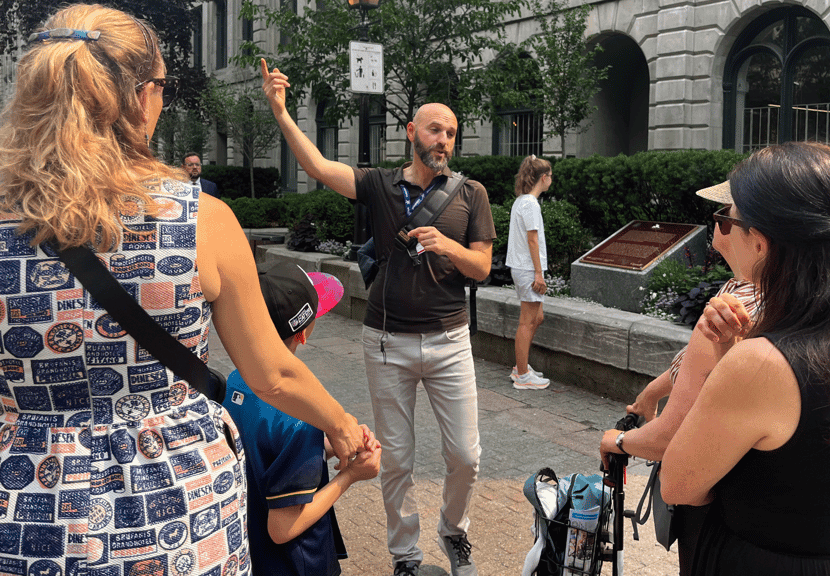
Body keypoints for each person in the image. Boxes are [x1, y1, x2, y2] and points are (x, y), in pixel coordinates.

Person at [0, 6, 367, 576]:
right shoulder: (201, 219)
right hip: (176, 510)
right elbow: (275, 373)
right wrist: (342, 428)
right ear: (138, 97)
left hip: (29, 511)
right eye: (162, 85)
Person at [658, 142, 830, 575]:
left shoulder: (761, 364)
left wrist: (710, 355)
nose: (718, 236)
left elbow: (678, 484)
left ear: (762, 242)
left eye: (726, 218)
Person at [261, 59, 495, 576]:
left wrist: (448, 245)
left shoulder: (471, 194)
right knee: (397, 459)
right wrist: (280, 112)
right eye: (436, 129)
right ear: (412, 132)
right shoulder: (379, 185)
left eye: (452, 133)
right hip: (386, 343)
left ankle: (454, 532)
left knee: (467, 456)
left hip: (449, 340)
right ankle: (406, 555)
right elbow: (321, 168)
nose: (445, 140)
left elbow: (481, 266)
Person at [600, 180, 760, 576]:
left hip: (727, 517)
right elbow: (696, 361)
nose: (715, 225)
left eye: (724, 217)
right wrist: (653, 392)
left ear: (759, 238)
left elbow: (672, 456)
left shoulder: (734, 309)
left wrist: (618, 442)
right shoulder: (825, 302)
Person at [225, 262, 382, 576]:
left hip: (249, 554)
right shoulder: (300, 415)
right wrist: (349, 476)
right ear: (302, 334)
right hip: (297, 564)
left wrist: (325, 446)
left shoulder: (235, 382)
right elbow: (283, 527)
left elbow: (266, 455)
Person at [506, 155, 552, 390]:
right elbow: (532, 240)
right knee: (527, 321)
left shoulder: (521, 201)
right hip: (527, 269)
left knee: (537, 317)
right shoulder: (530, 204)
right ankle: (522, 374)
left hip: (523, 268)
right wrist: (538, 273)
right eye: (550, 176)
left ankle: (521, 367)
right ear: (543, 178)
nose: (551, 180)